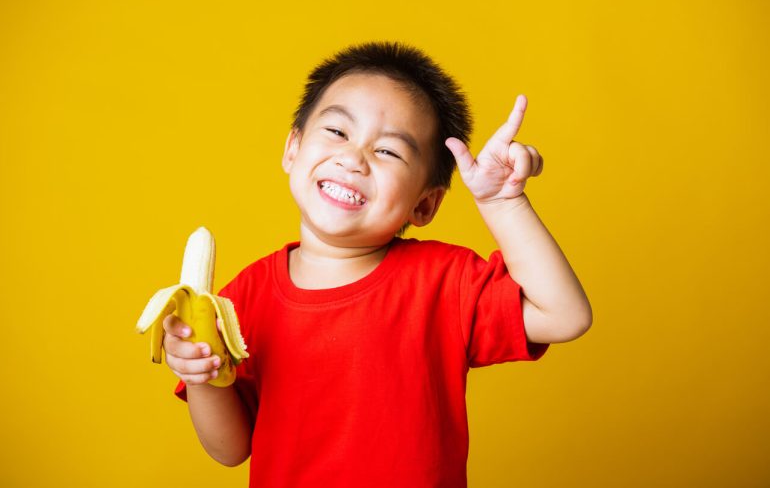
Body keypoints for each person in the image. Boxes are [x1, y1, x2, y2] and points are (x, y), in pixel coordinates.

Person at [161, 41, 592, 487]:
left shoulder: (445, 282)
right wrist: (201, 374)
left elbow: (565, 315)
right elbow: (230, 449)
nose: (354, 159)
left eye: (388, 152)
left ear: (424, 204)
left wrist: (503, 203)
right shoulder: (241, 298)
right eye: (337, 131)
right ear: (292, 148)